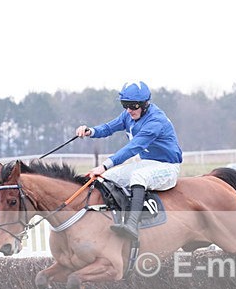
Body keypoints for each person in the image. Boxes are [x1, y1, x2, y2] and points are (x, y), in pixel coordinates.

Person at [75, 81, 183, 241]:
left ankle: (132, 224)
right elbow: (109, 127)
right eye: (125, 105)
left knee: (138, 177)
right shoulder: (129, 115)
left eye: (132, 106)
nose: (129, 110)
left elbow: (133, 148)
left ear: (145, 104)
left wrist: (104, 165)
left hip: (168, 166)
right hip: (147, 163)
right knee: (108, 177)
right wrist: (91, 131)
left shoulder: (155, 121)